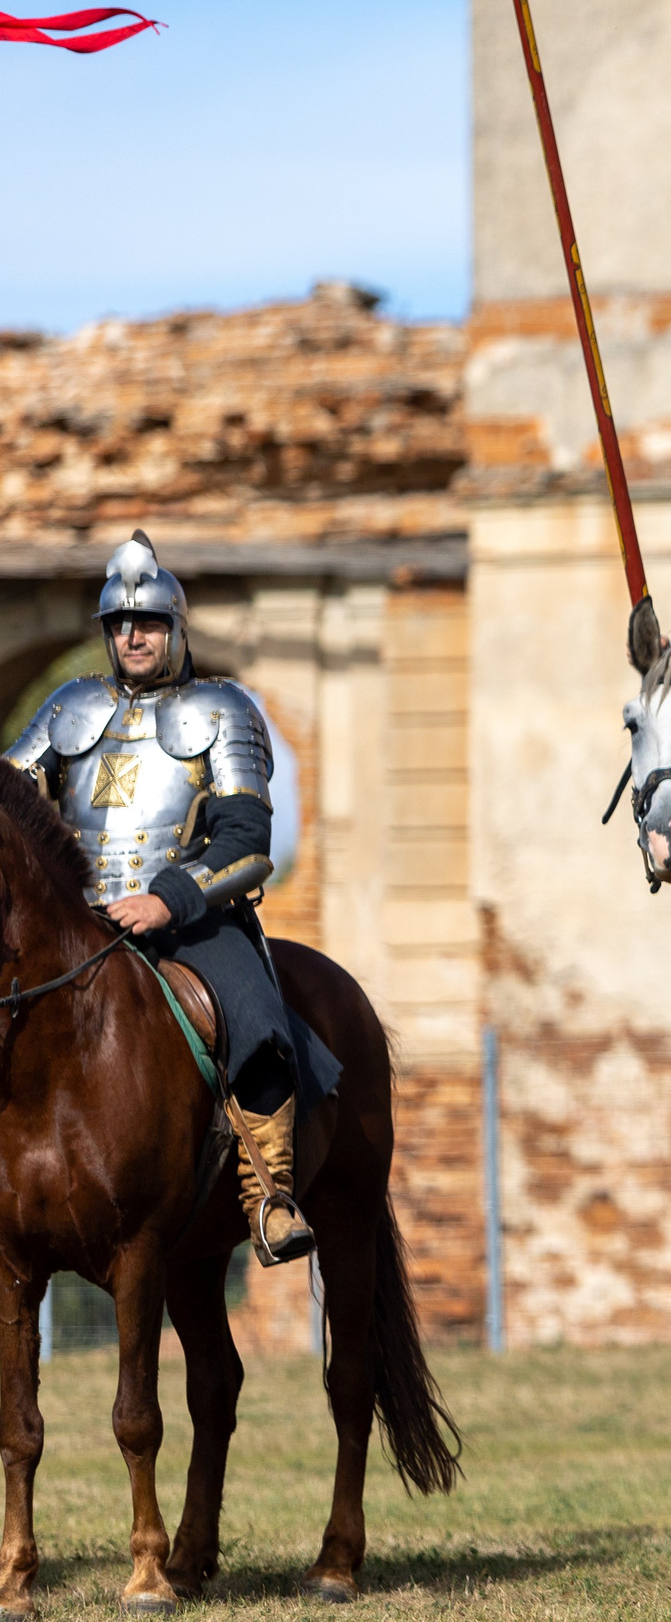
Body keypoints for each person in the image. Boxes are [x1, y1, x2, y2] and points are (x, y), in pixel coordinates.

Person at [4, 532, 341, 1265]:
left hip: (191, 924)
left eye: (148, 622)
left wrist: (166, 900)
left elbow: (248, 840)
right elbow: (11, 794)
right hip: (81, 921)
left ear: (177, 628)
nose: (132, 635)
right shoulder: (69, 706)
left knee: (255, 1015)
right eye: (120, 623)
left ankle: (270, 1191)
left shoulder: (221, 709)